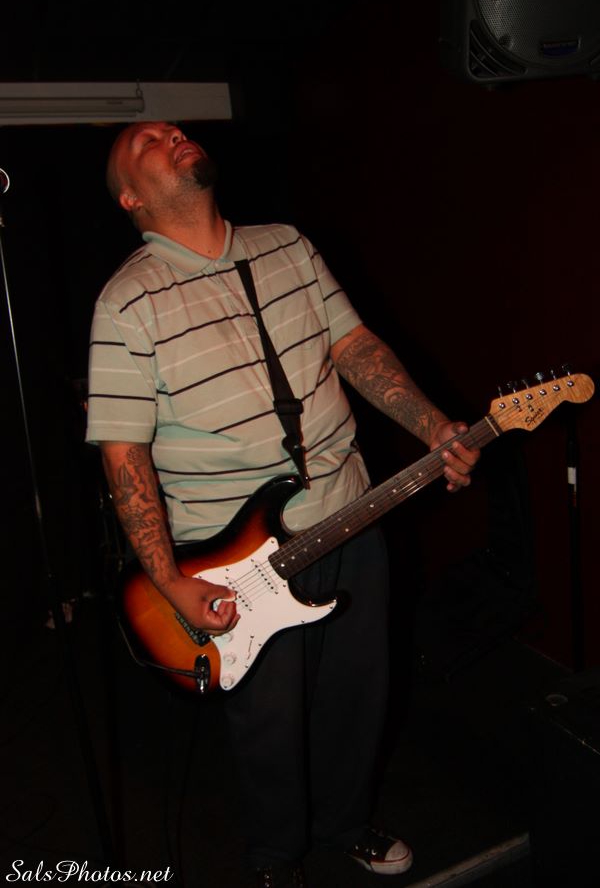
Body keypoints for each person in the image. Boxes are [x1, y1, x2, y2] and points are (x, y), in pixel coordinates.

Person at [86, 121, 479, 888]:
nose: (169, 133)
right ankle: (274, 855)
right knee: (269, 721)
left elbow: (353, 346)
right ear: (131, 198)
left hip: (352, 513)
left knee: (357, 695)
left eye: (171, 128)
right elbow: (124, 455)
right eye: (145, 142)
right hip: (233, 558)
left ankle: (346, 822)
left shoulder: (288, 245)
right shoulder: (126, 303)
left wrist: (433, 426)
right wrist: (168, 579)